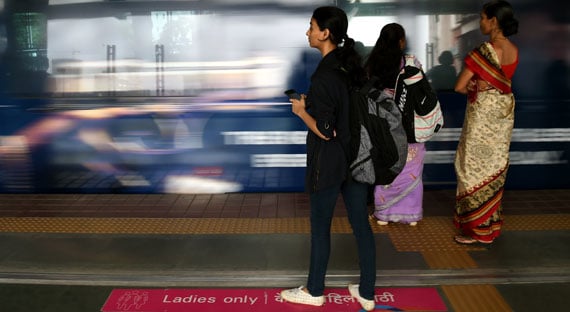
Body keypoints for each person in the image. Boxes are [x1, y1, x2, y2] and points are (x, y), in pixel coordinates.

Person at [279, 6, 376, 311]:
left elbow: (325, 130)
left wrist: (301, 111)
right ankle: (368, 292)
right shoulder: (351, 68)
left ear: (325, 33)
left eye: (311, 26)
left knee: (320, 227)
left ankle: (314, 290)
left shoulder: (324, 74)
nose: (307, 32)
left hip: (330, 161)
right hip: (357, 159)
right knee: (361, 225)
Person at [453, 0, 519, 245]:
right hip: (502, 118)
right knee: (494, 168)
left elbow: (459, 87)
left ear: (493, 21)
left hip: (482, 120)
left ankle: (475, 230)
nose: (481, 22)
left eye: (483, 17)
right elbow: (503, 82)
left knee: (470, 170)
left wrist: (473, 85)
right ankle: (489, 228)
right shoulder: (514, 49)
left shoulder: (485, 51)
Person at [364, 23, 426, 227]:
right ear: (401, 41)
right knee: (411, 166)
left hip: (382, 126)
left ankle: (384, 212)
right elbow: (423, 92)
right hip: (409, 126)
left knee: (386, 164)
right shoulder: (411, 64)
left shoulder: (371, 65)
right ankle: (411, 213)